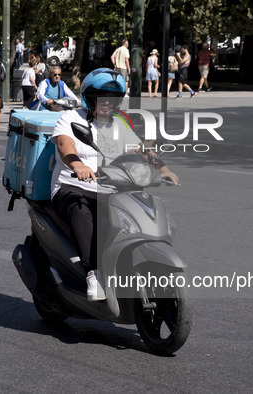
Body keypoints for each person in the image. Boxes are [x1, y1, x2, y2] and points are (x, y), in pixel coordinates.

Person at [50, 68, 179, 301]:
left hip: (113, 188)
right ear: (88, 97)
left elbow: (140, 150)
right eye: (101, 97)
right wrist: (77, 165)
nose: (107, 103)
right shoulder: (71, 118)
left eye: (113, 99)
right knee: (82, 211)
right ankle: (93, 272)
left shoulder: (118, 124)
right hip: (73, 187)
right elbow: (63, 144)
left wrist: (163, 169)